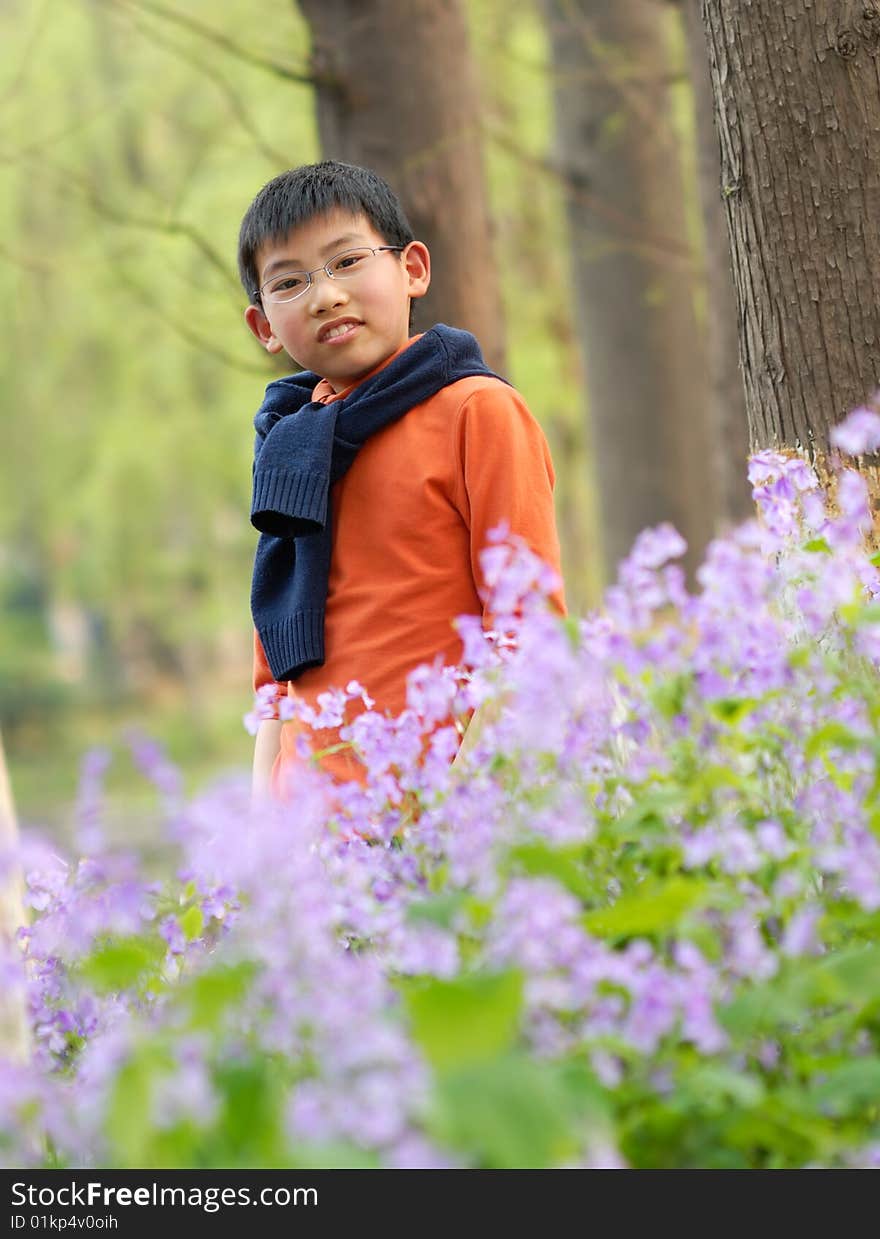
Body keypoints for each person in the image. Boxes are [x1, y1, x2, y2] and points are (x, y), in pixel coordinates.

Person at [238, 160, 565, 797]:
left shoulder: (476, 411)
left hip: (444, 823)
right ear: (263, 327)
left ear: (412, 268)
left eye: (347, 261)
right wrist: (267, 851)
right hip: (313, 849)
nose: (325, 295)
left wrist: (450, 822)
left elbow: (528, 638)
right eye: (290, 282)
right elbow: (275, 685)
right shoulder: (289, 450)